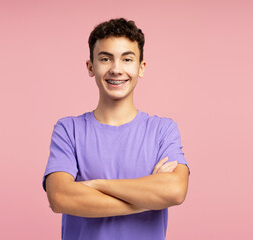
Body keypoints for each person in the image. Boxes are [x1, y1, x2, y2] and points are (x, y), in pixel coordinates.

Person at [42, 18, 190, 240]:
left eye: (127, 59)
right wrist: (144, 201)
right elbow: (60, 197)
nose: (116, 69)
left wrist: (96, 185)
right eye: (105, 59)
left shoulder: (162, 130)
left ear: (141, 68)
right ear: (91, 67)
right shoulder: (68, 130)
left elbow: (175, 191)